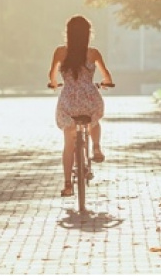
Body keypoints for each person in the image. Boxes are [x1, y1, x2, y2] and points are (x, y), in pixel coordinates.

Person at [48, 15, 114, 197]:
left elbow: (52, 76)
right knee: (94, 120)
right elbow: (106, 75)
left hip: (68, 102)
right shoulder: (93, 53)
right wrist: (106, 82)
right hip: (89, 100)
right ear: (88, 33)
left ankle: (68, 184)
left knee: (68, 143)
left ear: (68, 33)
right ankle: (96, 147)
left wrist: (54, 84)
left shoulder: (60, 52)